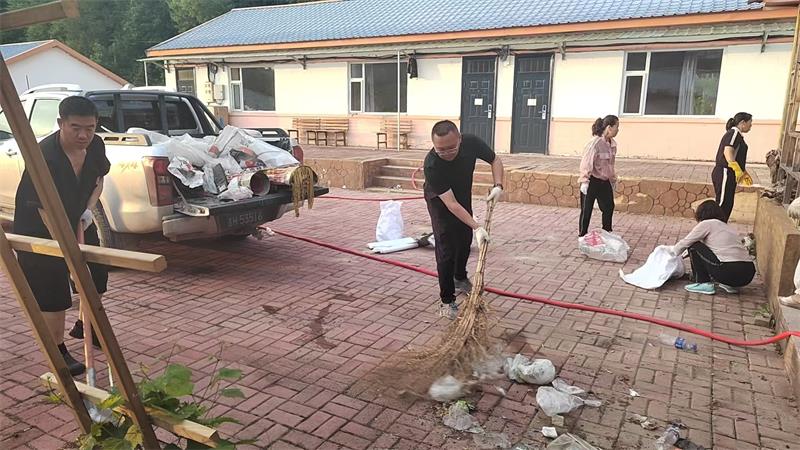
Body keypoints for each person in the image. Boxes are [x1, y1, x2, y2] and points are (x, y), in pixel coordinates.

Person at [14, 96, 110, 376]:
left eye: (90, 128)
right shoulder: (44, 156)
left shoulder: (95, 145)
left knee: (95, 275)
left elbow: (98, 180)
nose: (83, 135)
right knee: (53, 290)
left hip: (78, 217)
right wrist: (67, 251)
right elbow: (44, 209)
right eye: (75, 128)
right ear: (61, 123)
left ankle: (86, 325)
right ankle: (58, 350)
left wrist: (88, 210)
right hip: (39, 228)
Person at [423, 120, 504, 319]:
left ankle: (459, 277)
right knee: (446, 247)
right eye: (440, 150)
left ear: (460, 139)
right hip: (440, 200)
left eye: (451, 148)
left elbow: (495, 160)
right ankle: (447, 300)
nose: (446, 153)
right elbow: (451, 205)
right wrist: (477, 227)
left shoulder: (471, 143)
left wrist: (498, 186)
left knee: (464, 238)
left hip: (461, 194)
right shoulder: (432, 165)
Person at [669, 200, 755, 295]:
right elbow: (708, 251)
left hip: (729, 272)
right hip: (748, 273)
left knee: (694, 246)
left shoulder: (707, 224)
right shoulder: (727, 227)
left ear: (701, 213)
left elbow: (687, 242)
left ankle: (703, 282)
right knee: (710, 252)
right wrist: (683, 255)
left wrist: (670, 253)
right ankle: (730, 285)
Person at [578, 115, 619, 237]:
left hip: (604, 181)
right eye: (617, 127)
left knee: (609, 207)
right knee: (586, 210)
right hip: (592, 181)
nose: (618, 130)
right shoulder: (595, 143)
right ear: (609, 127)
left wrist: (613, 180)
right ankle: (582, 235)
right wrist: (584, 181)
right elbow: (586, 162)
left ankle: (607, 233)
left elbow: (610, 164)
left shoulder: (612, 145)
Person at [713, 112, 753, 222]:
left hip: (730, 174)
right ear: (742, 123)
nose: (751, 126)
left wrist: (743, 172)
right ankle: (713, 227)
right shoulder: (734, 133)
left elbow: (736, 155)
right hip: (725, 172)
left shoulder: (738, 136)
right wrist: (737, 169)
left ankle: (721, 227)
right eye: (750, 122)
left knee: (727, 204)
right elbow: (728, 151)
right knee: (722, 204)